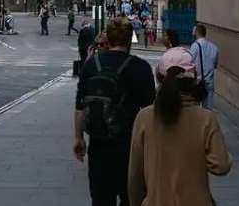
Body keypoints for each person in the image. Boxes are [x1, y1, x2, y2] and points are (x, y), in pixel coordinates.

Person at [128, 47, 231, 205]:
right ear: (194, 78)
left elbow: (135, 176)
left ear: (159, 78)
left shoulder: (145, 118)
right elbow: (221, 165)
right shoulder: (206, 118)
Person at [73, 18, 156, 206]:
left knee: (101, 199)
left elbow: (80, 105)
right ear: (129, 41)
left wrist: (78, 138)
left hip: (98, 144)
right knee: (131, 198)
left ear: (108, 40)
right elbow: (150, 110)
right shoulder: (140, 67)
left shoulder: (91, 64)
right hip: (130, 147)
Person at [189, 24, 219, 109]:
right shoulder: (214, 47)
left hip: (198, 82)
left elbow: (190, 62)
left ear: (197, 33)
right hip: (209, 82)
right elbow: (215, 65)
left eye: (193, 32)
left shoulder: (195, 46)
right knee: (208, 108)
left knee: (196, 107)